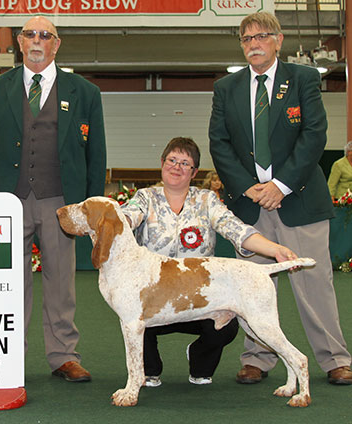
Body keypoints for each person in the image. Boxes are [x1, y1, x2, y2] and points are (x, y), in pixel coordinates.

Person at [209, 11, 352, 385]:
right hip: (250, 206)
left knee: (314, 283)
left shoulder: (303, 78)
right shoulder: (227, 88)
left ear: (278, 40)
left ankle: (334, 358)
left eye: (261, 36)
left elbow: (314, 134)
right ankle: (257, 357)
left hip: (300, 201)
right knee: (252, 288)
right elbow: (219, 143)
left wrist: (281, 185)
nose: (253, 43)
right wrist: (247, 187)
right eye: (246, 38)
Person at [0, 16, 106, 382]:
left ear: (56, 44)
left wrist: (91, 206)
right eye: (30, 34)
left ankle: (63, 355)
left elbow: (97, 154)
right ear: (19, 41)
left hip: (60, 200)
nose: (37, 40)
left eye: (45, 35)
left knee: (61, 281)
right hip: (8, 200)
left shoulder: (84, 92)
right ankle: (8, 354)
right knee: (9, 281)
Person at [121, 137, 298, 387]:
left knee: (226, 326)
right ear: (162, 163)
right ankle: (149, 370)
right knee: (134, 314)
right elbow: (123, 221)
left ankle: (200, 364)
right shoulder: (144, 197)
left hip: (199, 296)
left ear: (194, 172)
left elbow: (237, 230)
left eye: (185, 163)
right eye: (172, 160)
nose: (177, 167)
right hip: (156, 297)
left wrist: (275, 249)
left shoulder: (206, 200)